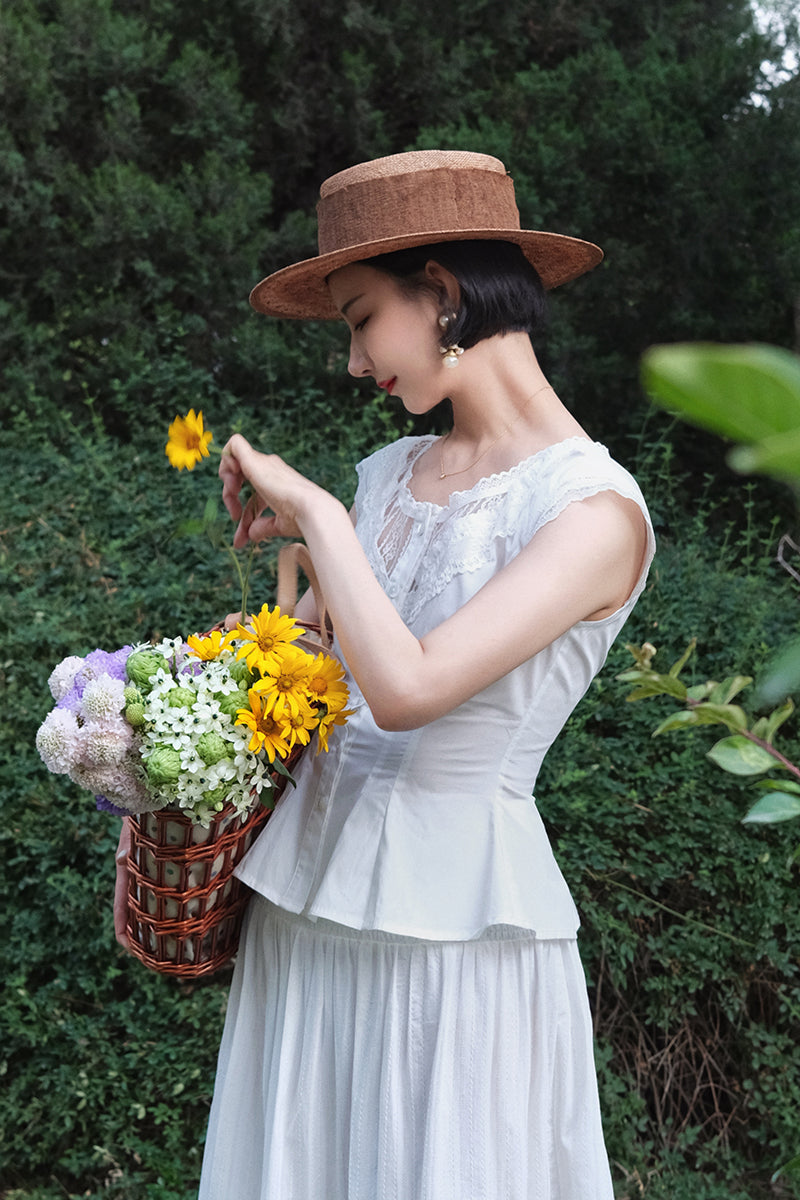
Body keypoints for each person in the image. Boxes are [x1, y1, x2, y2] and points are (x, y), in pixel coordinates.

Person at [143, 149, 655, 1198]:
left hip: (455, 935)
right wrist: (264, 647)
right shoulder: (386, 474)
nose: (349, 361)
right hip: (306, 915)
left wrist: (321, 517)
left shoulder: (594, 516)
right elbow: (334, 685)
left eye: (359, 317)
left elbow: (414, 689)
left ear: (446, 296)